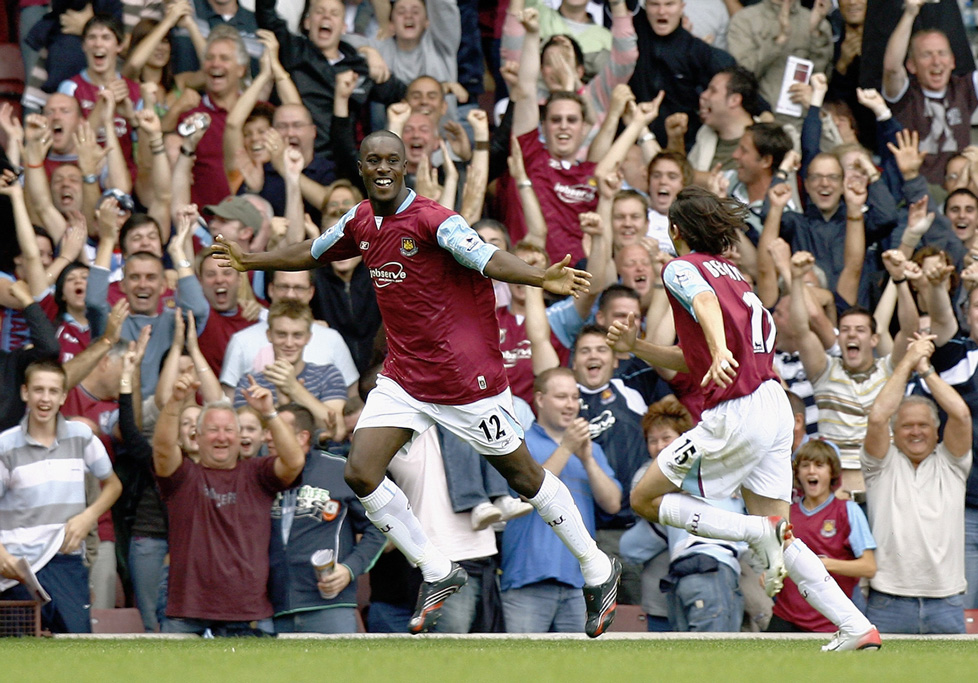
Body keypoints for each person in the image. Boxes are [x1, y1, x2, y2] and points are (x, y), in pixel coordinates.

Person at [213, 130, 622, 638]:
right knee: (360, 473)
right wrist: (251, 262)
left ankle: (598, 569)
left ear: (405, 165)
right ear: (362, 167)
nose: (383, 168)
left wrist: (540, 279)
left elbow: (487, 259)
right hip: (406, 377)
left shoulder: (435, 220)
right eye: (373, 160)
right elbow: (312, 252)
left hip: (465, 380)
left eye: (392, 159)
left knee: (523, 478)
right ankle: (436, 568)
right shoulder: (360, 221)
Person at [606, 186, 880, 651]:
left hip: (737, 408)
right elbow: (688, 358)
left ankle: (757, 533)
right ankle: (857, 625)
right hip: (773, 402)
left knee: (645, 498)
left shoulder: (680, 268)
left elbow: (705, 313)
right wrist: (638, 347)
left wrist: (716, 350)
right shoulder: (736, 276)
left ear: (675, 231)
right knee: (783, 532)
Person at [153, 373, 304, 635]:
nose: (221, 437)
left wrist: (269, 413)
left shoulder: (258, 474)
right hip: (187, 611)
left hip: (249, 612)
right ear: (196, 437)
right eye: (212, 430)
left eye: (228, 430)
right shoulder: (182, 476)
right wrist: (176, 402)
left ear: (239, 437)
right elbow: (163, 449)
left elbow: (294, 461)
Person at [0, 360, 122, 633]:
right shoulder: (5, 446)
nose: (45, 398)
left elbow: (113, 485)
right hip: (17, 570)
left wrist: (88, 516)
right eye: (38, 390)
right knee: (16, 659)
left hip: (65, 561)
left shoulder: (81, 436)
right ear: (24, 393)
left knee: (76, 652)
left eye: (53, 391)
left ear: (63, 396)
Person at [862, 334, 972, 634]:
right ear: (894, 433)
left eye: (923, 425)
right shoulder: (881, 465)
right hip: (888, 601)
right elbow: (877, 417)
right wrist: (908, 360)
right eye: (906, 426)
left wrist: (926, 370)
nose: (915, 432)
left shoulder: (951, 463)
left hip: (945, 601)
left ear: (937, 431)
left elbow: (961, 414)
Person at [500, 367, 621, 632]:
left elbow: (613, 503)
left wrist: (587, 458)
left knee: (579, 670)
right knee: (522, 669)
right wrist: (566, 447)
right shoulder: (518, 445)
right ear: (540, 400)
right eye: (561, 397)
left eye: (574, 397)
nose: (570, 405)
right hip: (527, 578)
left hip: (582, 582)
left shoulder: (593, 449)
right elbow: (524, 492)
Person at [268, 403, 385, 633]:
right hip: (275, 608)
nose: (268, 438)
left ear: (302, 437)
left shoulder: (339, 470)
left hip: (330, 605)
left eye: (276, 431)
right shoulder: (263, 475)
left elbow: (379, 528)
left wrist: (349, 569)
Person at [767, 440, 877, 632]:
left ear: (832, 472)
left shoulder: (847, 511)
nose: (811, 471)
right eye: (805, 466)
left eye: (819, 465)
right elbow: (772, 559)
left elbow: (868, 567)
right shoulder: (786, 513)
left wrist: (820, 564)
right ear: (797, 473)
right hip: (786, 618)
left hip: (832, 623)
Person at [882, 0, 977, 185]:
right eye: (926, 55)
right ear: (911, 65)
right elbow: (892, 68)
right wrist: (910, 14)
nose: (936, 62)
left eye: (942, 53)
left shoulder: (964, 88)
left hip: (959, 190)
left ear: (952, 61)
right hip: (917, 190)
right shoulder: (905, 95)